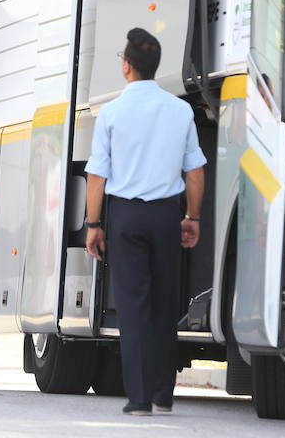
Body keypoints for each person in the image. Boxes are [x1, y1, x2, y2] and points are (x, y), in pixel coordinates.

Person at [84, 28, 206, 416]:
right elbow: (195, 172)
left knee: (133, 305)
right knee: (164, 302)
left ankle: (138, 399)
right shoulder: (180, 109)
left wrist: (93, 224)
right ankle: (162, 393)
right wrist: (192, 217)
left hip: (126, 216)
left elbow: (97, 177)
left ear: (126, 66)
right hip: (166, 214)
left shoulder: (113, 112)